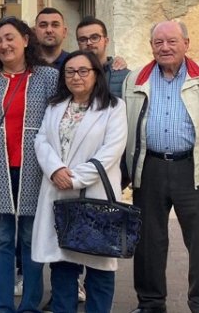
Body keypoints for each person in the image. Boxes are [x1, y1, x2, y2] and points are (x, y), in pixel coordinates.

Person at [124, 20, 199, 313]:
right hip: (150, 167)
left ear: (186, 43)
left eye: (171, 41)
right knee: (148, 242)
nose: (165, 47)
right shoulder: (134, 79)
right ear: (151, 47)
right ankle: (151, 303)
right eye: (158, 43)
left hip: (192, 169)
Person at [0, 16, 57, 313]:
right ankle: (2, 306)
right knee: (2, 240)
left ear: (26, 40)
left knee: (31, 239)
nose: (4, 44)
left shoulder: (47, 77)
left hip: (36, 168)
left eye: (9, 37)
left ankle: (29, 306)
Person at [31, 50, 127, 313]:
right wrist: (55, 170)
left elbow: (111, 151)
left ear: (96, 74)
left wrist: (72, 178)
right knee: (62, 265)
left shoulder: (114, 107)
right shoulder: (55, 106)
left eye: (84, 71)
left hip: (94, 196)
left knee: (99, 265)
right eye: (70, 71)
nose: (76, 77)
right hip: (58, 193)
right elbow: (41, 140)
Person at [74, 17, 129, 98]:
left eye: (94, 37)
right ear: (78, 44)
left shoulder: (125, 76)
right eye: (83, 39)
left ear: (106, 41)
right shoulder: (72, 75)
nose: (89, 43)